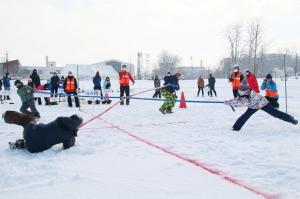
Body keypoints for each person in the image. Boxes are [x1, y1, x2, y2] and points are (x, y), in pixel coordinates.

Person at [225, 80, 298, 131]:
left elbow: (242, 103)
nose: (241, 93)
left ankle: (291, 119)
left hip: (262, 103)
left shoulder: (252, 95)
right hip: (253, 106)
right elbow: (238, 99)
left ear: (247, 90)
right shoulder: (241, 93)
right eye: (240, 91)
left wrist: (231, 103)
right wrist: (229, 101)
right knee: (245, 116)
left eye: (242, 91)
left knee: (275, 113)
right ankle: (236, 128)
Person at [3, 111, 83, 153]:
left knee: (25, 119)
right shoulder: (69, 136)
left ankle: (7, 115)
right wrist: (73, 133)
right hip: (34, 148)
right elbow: (68, 147)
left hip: (30, 131)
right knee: (39, 140)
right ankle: (23, 144)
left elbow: (51, 128)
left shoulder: (60, 120)